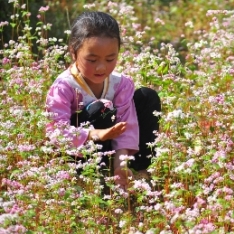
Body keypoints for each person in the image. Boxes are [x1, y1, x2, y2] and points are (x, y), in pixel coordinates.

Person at [46, 11, 161, 191]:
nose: (101, 67)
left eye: (110, 59)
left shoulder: (121, 83)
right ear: (73, 52)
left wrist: (121, 163)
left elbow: (126, 125)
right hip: (81, 153)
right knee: (99, 108)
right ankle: (89, 176)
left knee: (147, 97)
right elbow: (56, 133)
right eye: (92, 60)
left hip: (113, 149)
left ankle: (136, 170)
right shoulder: (64, 86)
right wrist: (95, 134)